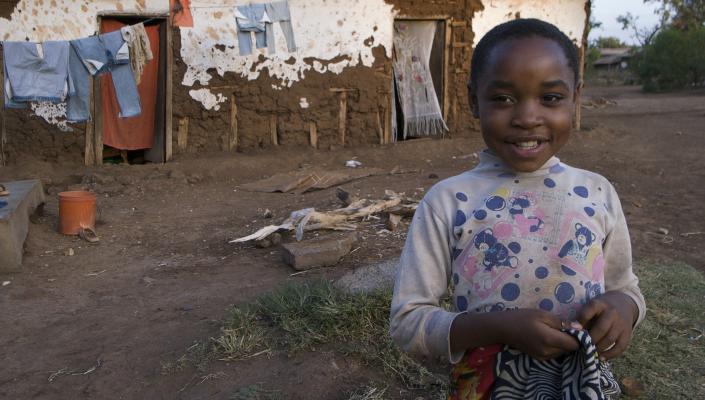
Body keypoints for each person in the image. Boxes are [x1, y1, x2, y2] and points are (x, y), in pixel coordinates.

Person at [389, 18, 645, 399]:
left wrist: (624, 308)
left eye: (551, 98)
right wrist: (501, 328)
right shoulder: (448, 202)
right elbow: (409, 322)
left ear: (576, 96)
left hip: (583, 384)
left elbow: (626, 289)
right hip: (487, 388)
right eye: (504, 99)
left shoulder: (597, 193)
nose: (527, 117)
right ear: (474, 100)